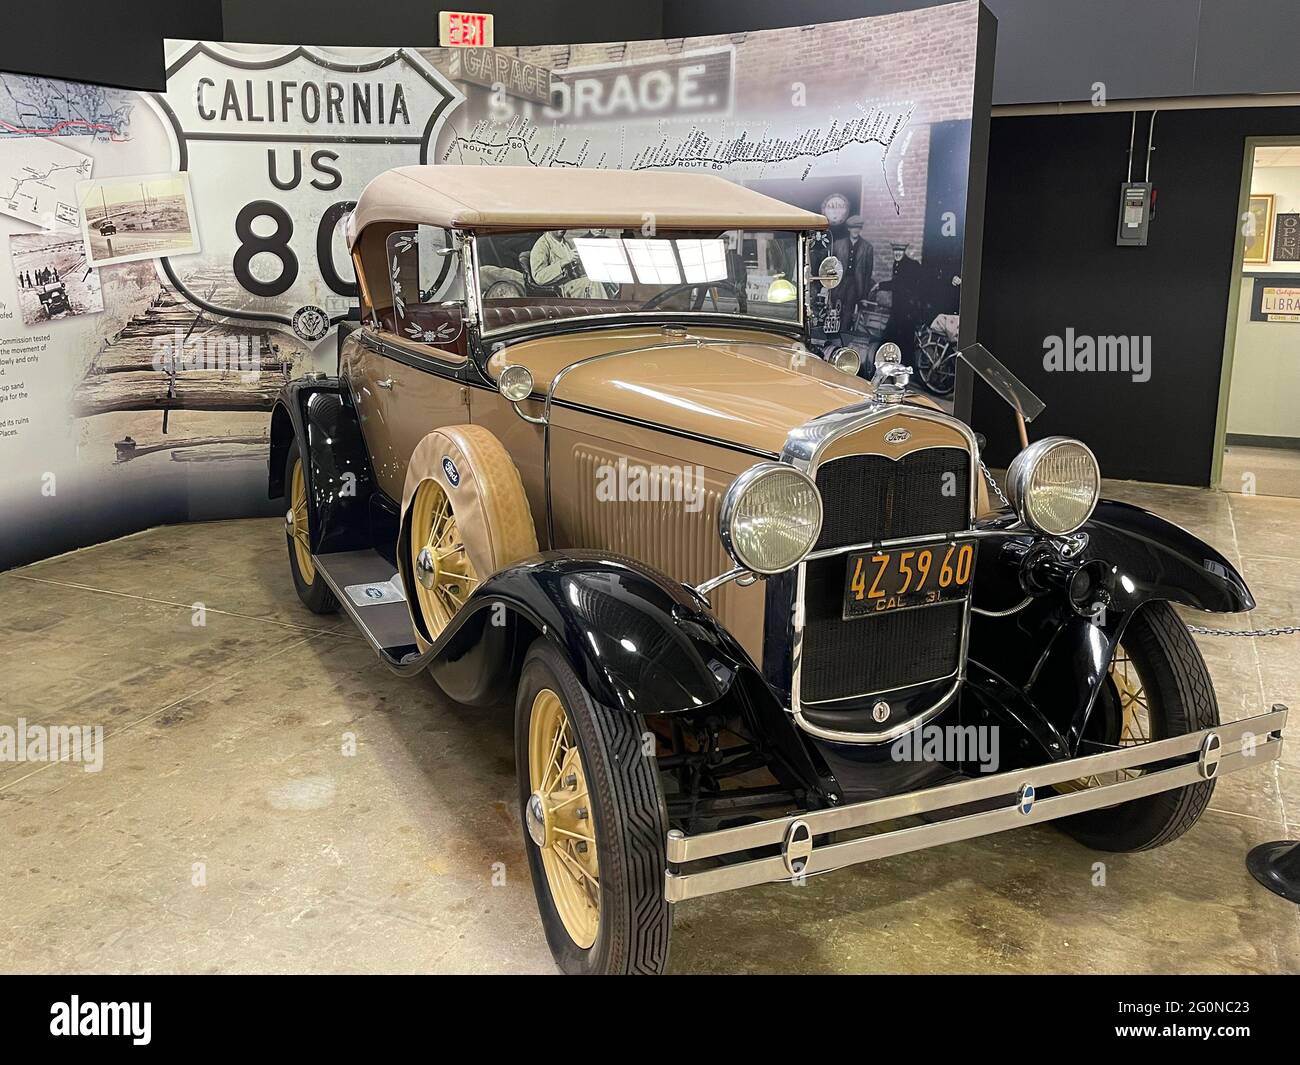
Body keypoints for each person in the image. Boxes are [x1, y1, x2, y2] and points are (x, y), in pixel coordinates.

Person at [529, 229, 608, 299]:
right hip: (560, 290)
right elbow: (539, 277)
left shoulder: (565, 243)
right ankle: (606, 312)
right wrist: (565, 260)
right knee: (593, 282)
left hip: (572, 283)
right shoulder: (541, 245)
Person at [831, 215, 873, 344]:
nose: (855, 230)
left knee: (848, 310)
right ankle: (832, 335)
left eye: (858, 228)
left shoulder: (867, 247)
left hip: (855, 283)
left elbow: (868, 273)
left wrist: (864, 295)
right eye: (853, 228)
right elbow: (830, 265)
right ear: (849, 229)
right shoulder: (838, 244)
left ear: (860, 229)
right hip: (839, 281)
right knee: (834, 307)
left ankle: (842, 338)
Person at [882, 241, 925, 365]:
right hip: (899, 309)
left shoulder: (909, 265)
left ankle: (907, 368)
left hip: (907, 311)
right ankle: (901, 366)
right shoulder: (898, 263)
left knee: (902, 340)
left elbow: (899, 284)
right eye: (895, 251)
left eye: (900, 251)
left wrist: (880, 285)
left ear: (904, 251)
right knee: (898, 340)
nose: (897, 253)